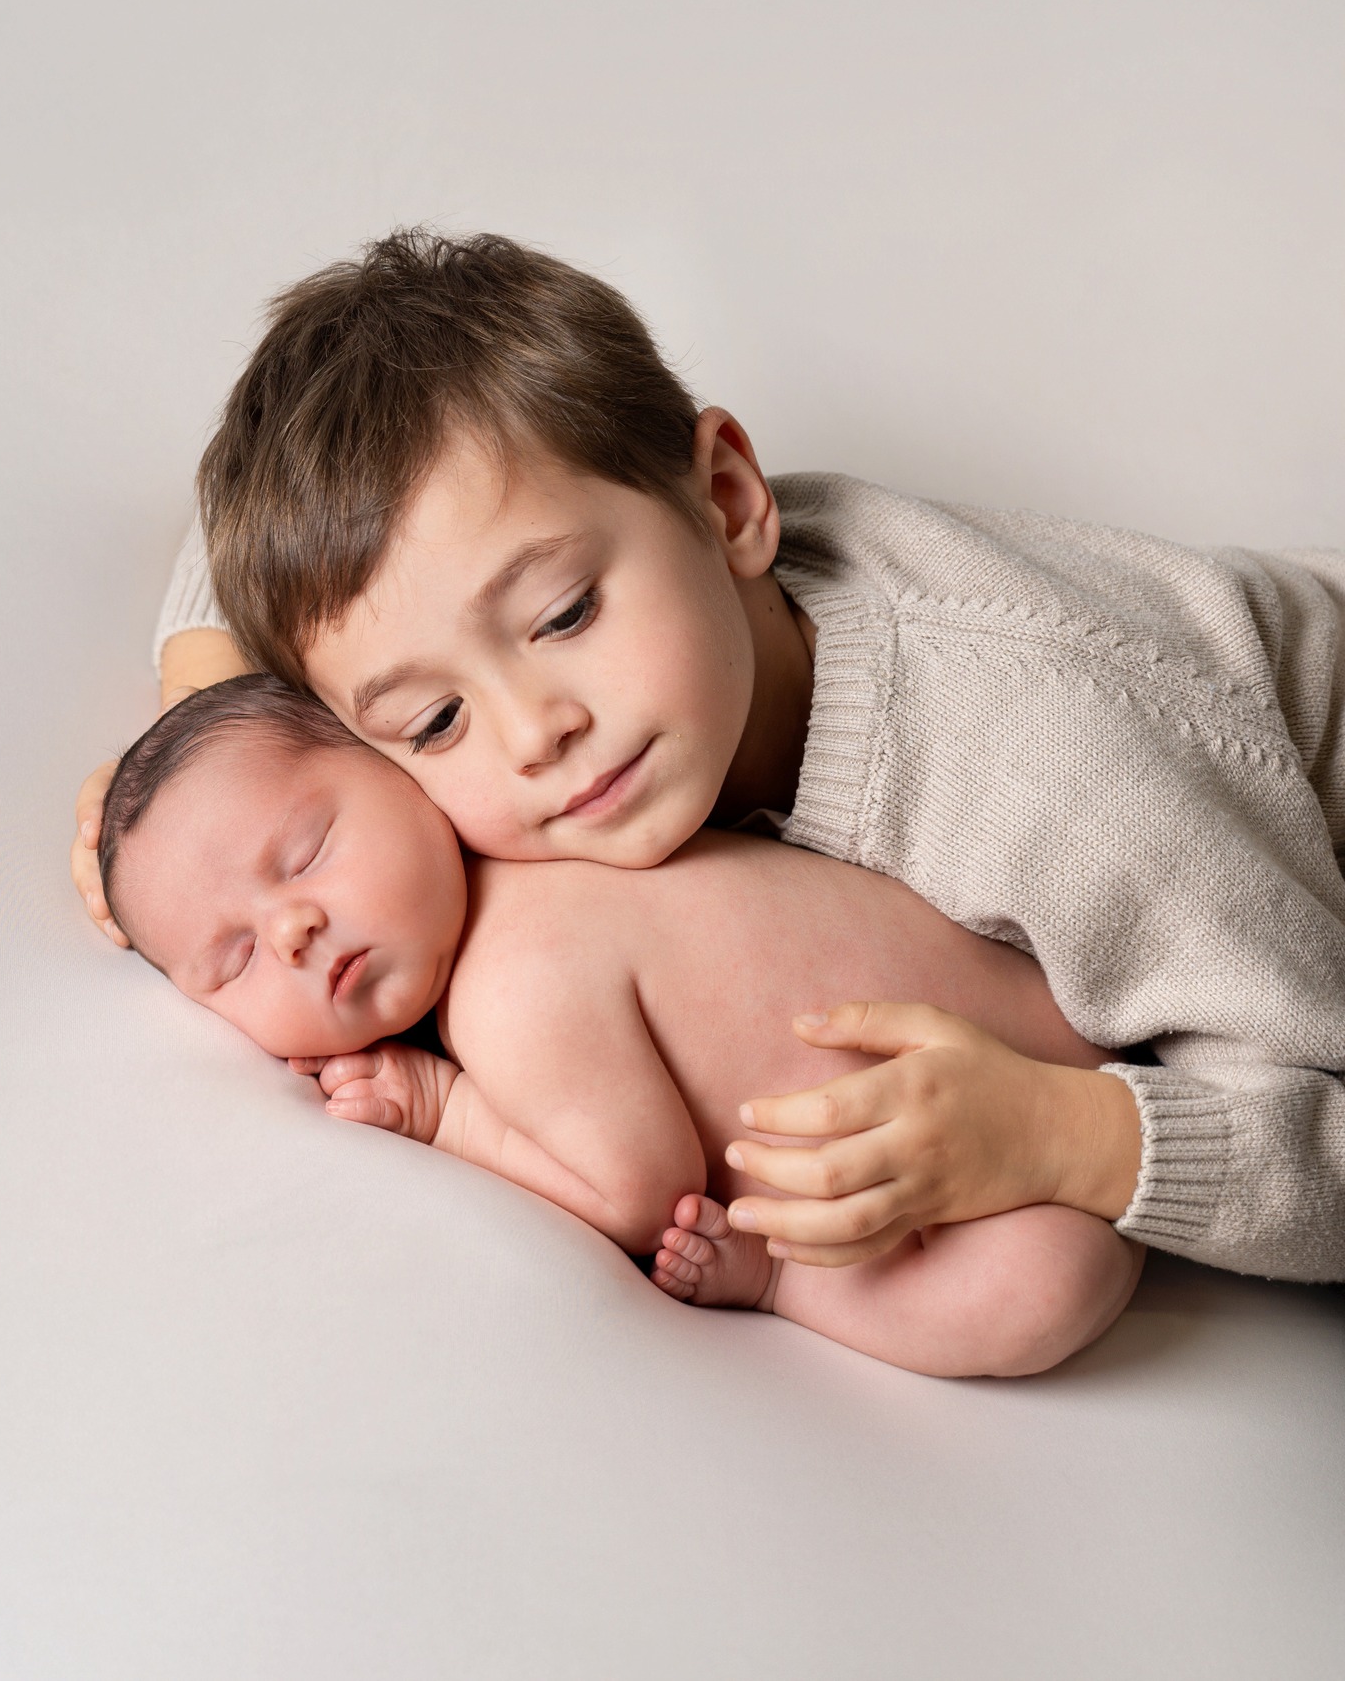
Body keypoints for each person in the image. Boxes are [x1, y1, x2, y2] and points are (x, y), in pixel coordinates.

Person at [74, 229, 1345, 1282]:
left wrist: (1072, 1136)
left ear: (729, 502)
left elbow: (1321, 1109)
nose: (534, 733)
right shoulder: (524, 660)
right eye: (432, 724)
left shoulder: (1044, 776)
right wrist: (204, 734)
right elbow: (248, 550)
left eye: (566, 616)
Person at [98, 674, 1142, 1379]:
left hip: (1018, 1143)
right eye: (231, 961)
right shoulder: (561, 821)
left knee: (1051, 1286)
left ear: (397, 763)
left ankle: (781, 1283)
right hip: (1061, 1001)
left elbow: (640, 1193)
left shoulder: (510, 984)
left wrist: (445, 1110)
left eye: (309, 847)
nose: (292, 929)